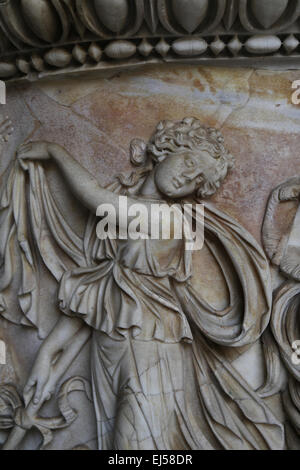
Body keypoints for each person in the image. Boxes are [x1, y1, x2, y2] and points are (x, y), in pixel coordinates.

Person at [14, 118, 283, 450]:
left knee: (138, 449)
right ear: (163, 149)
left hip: (154, 344)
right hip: (111, 352)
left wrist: (55, 152)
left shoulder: (174, 218)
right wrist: (47, 356)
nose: (188, 176)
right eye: (187, 161)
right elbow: (98, 302)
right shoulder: (119, 254)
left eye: (198, 177)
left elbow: (97, 200)